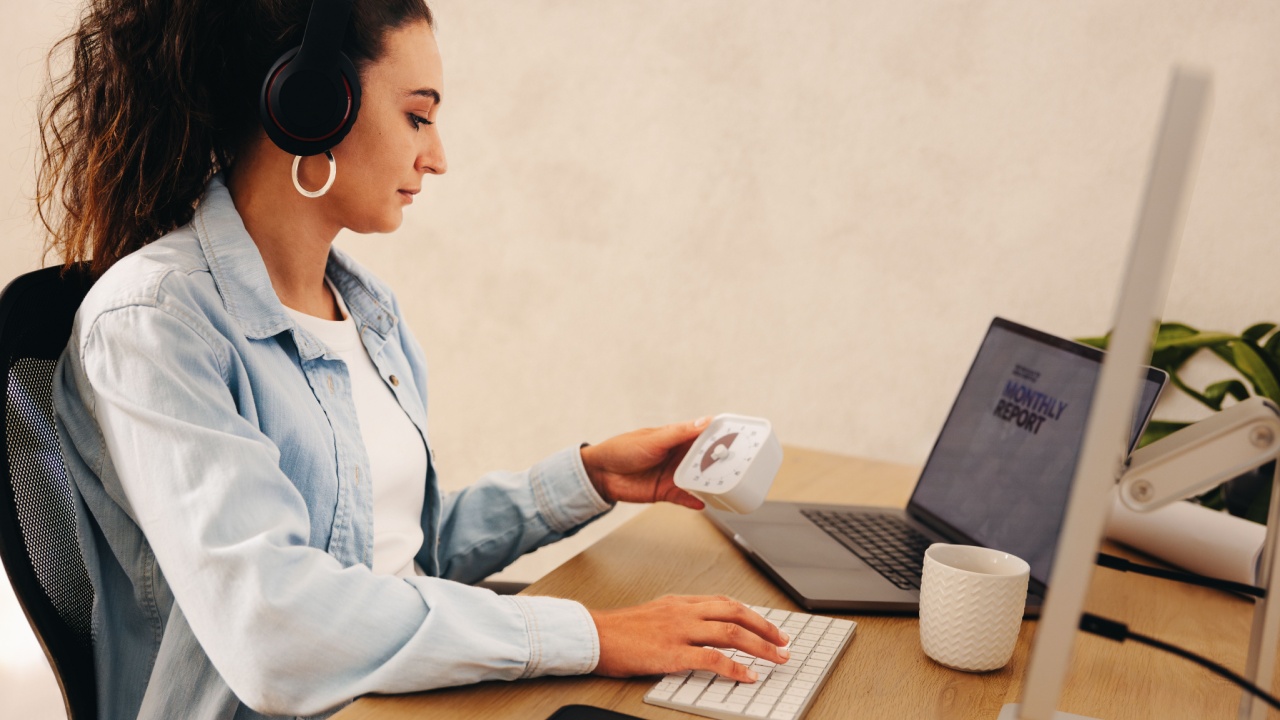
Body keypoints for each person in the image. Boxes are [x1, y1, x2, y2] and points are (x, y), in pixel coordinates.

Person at [36, 1, 789, 718]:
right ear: (310, 106)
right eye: (417, 116)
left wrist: (587, 479)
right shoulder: (157, 323)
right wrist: (594, 636)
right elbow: (277, 628)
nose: (438, 157)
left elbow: (385, 564)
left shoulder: (365, 310)